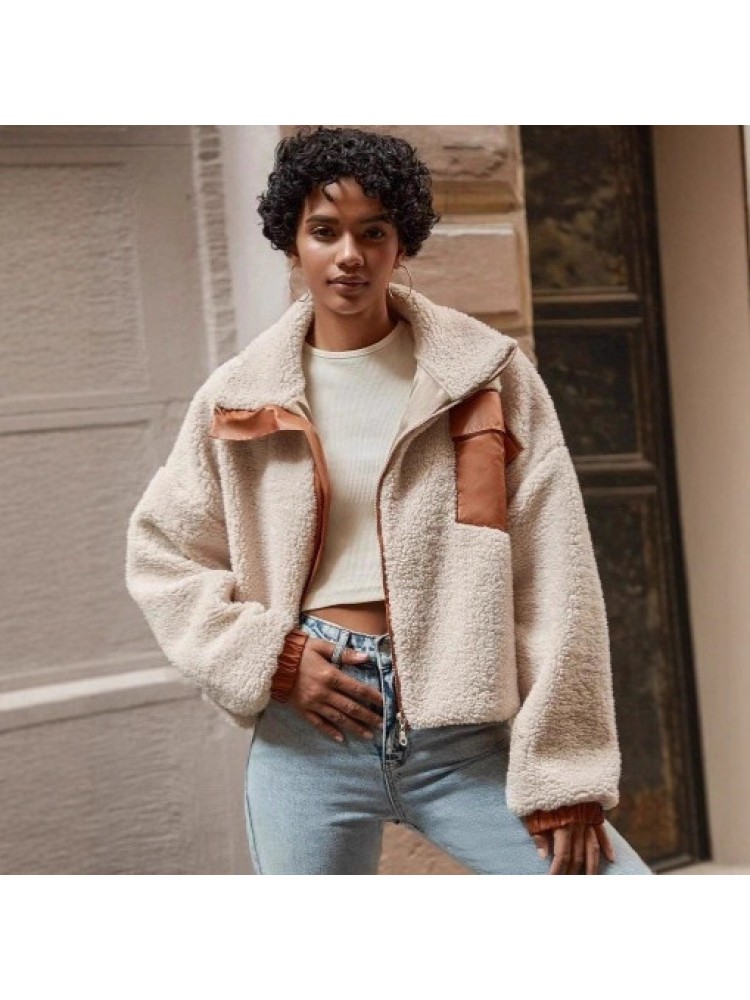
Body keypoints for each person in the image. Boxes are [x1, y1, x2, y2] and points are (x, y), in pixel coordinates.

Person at [126, 125, 653, 875]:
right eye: (324, 231)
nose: (350, 254)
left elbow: (556, 573)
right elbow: (163, 555)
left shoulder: (485, 376)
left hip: (463, 740)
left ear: (401, 243)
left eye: (373, 232)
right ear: (292, 243)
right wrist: (273, 659)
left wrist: (564, 772)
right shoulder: (239, 398)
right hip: (308, 737)